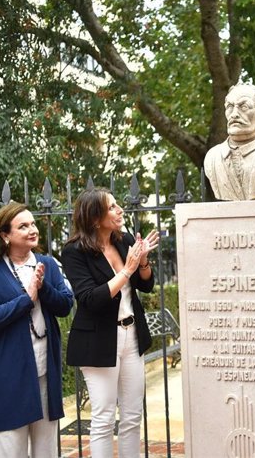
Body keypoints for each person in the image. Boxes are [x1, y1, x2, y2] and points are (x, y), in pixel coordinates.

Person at [61, 187, 159, 457]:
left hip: (132, 335)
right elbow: (90, 298)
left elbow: (146, 284)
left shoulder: (123, 239)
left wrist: (142, 261)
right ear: (94, 218)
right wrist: (127, 269)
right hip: (98, 340)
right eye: (112, 207)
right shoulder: (74, 252)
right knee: (103, 418)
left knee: (132, 415)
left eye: (117, 205)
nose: (120, 210)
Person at [0, 202, 74, 457]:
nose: (33, 229)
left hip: (44, 371)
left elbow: (65, 305)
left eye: (33, 223)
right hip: (8, 374)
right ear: (5, 235)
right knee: (10, 448)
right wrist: (26, 299)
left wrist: (43, 288)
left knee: (46, 450)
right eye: (23, 226)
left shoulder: (47, 264)